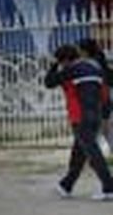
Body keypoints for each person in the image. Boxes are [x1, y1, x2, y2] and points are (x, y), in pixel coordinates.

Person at [45, 43, 113, 200]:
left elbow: (49, 82)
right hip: (95, 115)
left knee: (92, 153)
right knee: (79, 153)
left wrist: (53, 66)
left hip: (80, 117)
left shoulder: (71, 70)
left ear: (65, 61)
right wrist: (104, 114)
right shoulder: (94, 69)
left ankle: (109, 187)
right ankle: (66, 186)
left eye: (61, 62)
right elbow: (104, 92)